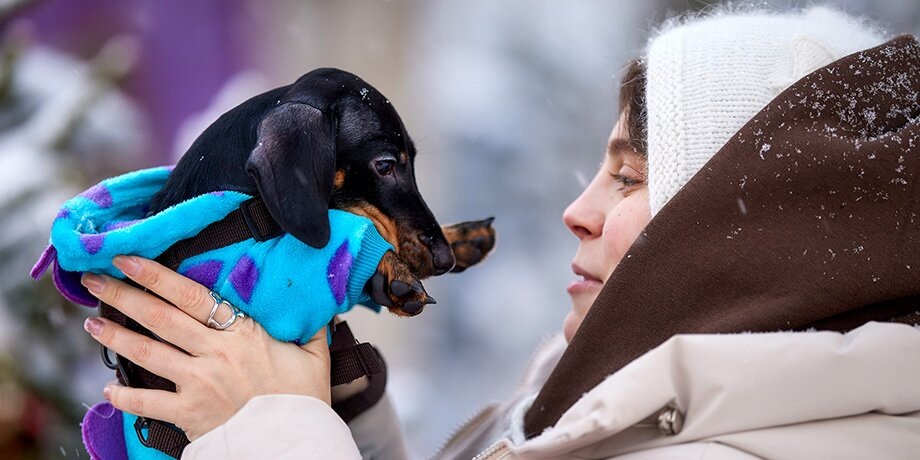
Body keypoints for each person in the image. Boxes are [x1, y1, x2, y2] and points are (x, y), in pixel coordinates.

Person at [79, 6, 920, 459]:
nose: (577, 209)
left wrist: (272, 430)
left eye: (628, 176)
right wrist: (345, 415)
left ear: (745, 231)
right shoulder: (591, 406)